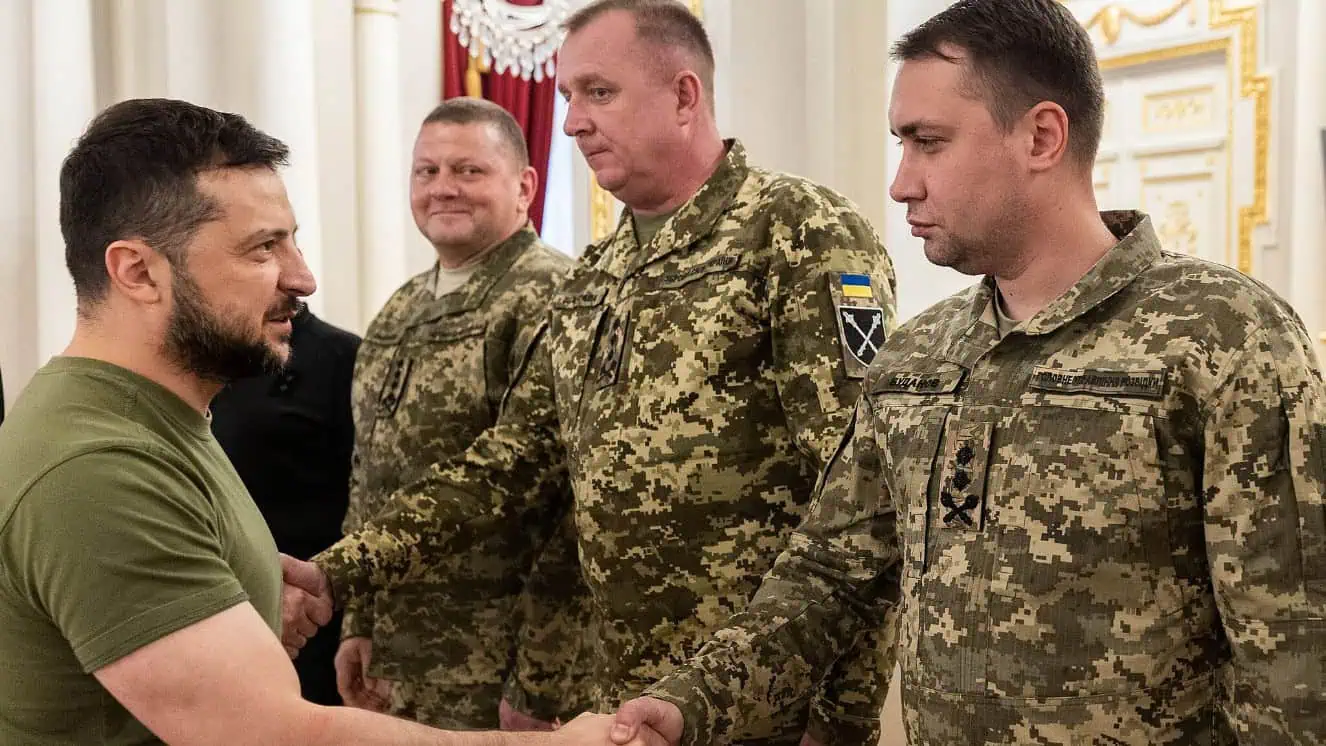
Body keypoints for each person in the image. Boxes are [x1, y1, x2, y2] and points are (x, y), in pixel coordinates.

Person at [603, 1, 1326, 744]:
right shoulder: (917, 358)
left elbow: (1295, 652)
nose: (901, 184)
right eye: (900, 144)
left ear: (1041, 136)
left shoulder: (1223, 337)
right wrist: (690, 701)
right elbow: (829, 579)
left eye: (929, 143)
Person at [281, 1, 900, 743]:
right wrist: (340, 571)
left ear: (683, 96)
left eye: (597, 92)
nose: (572, 121)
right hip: (626, 700)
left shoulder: (796, 230)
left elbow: (864, 498)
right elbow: (513, 463)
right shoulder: (596, 275)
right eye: (569, 95)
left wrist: (843, 720)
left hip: (769, 703)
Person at [0, 96, 620, 746]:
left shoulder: (165, 419)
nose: (304, 278)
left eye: (292, 240)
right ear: (138, 272)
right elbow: (270, 736)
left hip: (498, 646)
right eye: (263, 248)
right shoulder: (98, 469)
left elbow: (535, 483)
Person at [334, 97, 589, 728]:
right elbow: (368, 474)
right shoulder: (400, 308)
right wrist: (359, 622)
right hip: (402, 664)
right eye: (427, 172)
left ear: (525, 185)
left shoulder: (555, 296)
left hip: (499, 668)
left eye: (468, 170)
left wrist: (541, 679)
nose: (443, 188)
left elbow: (568, 503)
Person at [210, 304, 362, 707]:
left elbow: (372, 503)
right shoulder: (204, 357)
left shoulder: (345, 357)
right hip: (218, 610)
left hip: (311, 619)